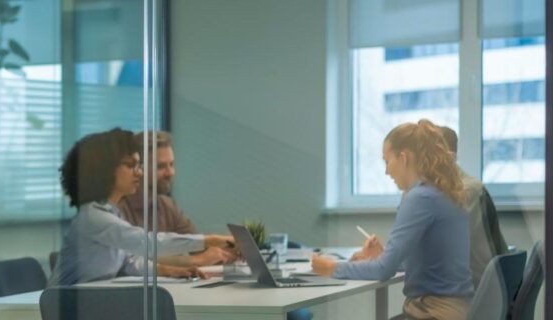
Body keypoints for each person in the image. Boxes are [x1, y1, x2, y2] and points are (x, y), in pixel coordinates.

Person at [119, 131, 314, 320]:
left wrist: (221, 249)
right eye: (161, 166)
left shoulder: (166, 205)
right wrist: (196, 260)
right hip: (145, 301)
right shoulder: (119, 210)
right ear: (139, 169)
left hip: (178, 291)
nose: (170, 172)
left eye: (172, 164)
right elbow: (135, 262)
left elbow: (196, 243)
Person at [311, 119, 473, 320]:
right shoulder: (441, 192)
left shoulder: (420, 197)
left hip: (432, 313)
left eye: (387, 161)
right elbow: (429, 264)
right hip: (455, 310)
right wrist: (384, 256)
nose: (387, 171)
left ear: (403, 158)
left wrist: (332, 268)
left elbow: (383, 271)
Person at [48, 128, 237, 286]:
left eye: (139, 165)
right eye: (131, 166)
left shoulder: (113, 212)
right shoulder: (93, 217)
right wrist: (211, 240)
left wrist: (171, 272)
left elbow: (130, 263)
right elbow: (146, 243)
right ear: (105, 169)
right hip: (65, 309)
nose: (139, 173)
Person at [439, 126, 508, 286]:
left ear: (450, 157)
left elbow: (444, 251)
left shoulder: (465, 191)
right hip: (478, 288)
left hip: (475, 291)